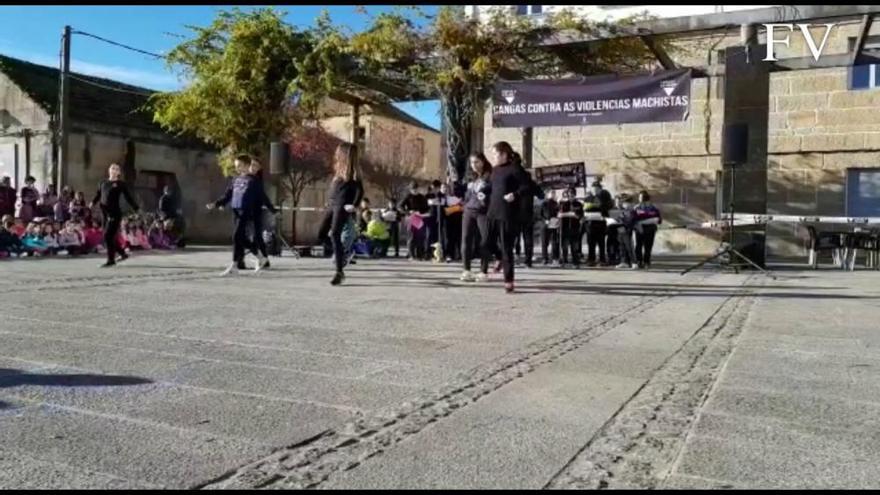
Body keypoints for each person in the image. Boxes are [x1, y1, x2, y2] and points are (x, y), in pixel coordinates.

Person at [208, 155, 275, 276]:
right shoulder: (236, 179)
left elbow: (263, 197)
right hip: (236, 211)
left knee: (236, 237)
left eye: (239, 165)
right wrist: (216, 203)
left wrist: (273, 210)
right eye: (236, 166)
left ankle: (234, 265)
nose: (237, 168)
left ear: (246, 165)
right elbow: (227, 195)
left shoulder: (254, 181)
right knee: (240, 239)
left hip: (246, 211)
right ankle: (260, 257)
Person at [487, 141, 532, 293]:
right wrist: (483, 192)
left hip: (507, 214)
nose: (494, 157)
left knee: (507, 248)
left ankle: (508, 280)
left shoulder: (515, 169)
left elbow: (527, 186)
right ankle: (498, 258)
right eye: (493, 154)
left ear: (504, 154)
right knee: (487, 242)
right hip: (492, 212)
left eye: (496, 154)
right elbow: (491, 187)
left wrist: (515, 194)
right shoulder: (494, 170)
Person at [318, 142, 363, 286]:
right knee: (321, 234)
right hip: (332, 205)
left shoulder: (353, 173)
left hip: (342, 207)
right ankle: (342, 254)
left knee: (335, 234)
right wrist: (328, 201)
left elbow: (360, 191)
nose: (336, 155)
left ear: (345, 155)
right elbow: (334, 190)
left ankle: (339, 272)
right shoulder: (338, 171)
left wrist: (354, 205)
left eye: (339, 153)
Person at [91, 163, 140, 267]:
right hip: (104, 212)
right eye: (112, 168)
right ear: (109, 170)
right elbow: (99, 194)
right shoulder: (103, 182)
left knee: (108, 236)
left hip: (115, 213)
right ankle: (122, 254)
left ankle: (111, 260)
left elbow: (128, 197)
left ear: (119, 173)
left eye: (116, 169)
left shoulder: (120, 184)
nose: (114, 170)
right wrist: (93, 202)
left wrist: (136, 208)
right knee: (107, 237)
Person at [460, 152, 493, 282]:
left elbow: (493, 193)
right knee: (466, 239)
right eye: (472, 162)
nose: (474, 165)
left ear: (483, 161)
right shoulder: (470, 177)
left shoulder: (490, 176)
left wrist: (485, 200)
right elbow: (467, 195)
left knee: (485, 240)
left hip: (483, 212)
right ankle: (466, 270)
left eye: (477, 162)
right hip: (469, 211)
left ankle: (483, 271)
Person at [510, 152, 543, 268]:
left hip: (514, 211)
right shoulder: (529, 180)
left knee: (513, 236)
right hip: (527, 212)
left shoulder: (512, 176)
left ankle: (512, 258)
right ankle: (528, 260)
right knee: (528, 237)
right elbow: (541, 195)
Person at [582, 180, 614, 267]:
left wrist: (601, 205)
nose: (595, 190)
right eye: (594, 188)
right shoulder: (587, 198)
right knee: (591, 243)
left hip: (601, 223)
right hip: (590, 223)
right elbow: (584, 209)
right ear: (591, 189)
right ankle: (591, 259)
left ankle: (602, 260)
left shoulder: (605, 197)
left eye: (597, 188)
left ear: (600, 189)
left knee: (601, 242)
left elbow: (610, 206)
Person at [400, 182, 429, 261]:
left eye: (416, 189)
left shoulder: (422, 197)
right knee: (411, 237)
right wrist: (408, 212)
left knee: (420, 237)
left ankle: (420, 254)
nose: (415, 190)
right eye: (413, 189)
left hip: (419, 218)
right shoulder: (408, 197)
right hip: (411, 218)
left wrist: (421, 212)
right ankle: (411, 254)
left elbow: (426, 208)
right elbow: (400, 206)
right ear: (410, 189)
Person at [634, 190, 662, 269]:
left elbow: (659, 220)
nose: (641, 199)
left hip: (650, 229)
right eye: (640, 197)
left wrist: (651, 219)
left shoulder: (653, 207)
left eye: (642, 197)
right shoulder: (636, 207)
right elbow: (633, 219)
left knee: (648, 246)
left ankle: (646, 261)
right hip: (639, 229)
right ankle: (639, 261)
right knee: (638, 246)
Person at [558, 187, 584, 268]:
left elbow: (580, 216)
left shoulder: (579, 204)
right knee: (564, 246)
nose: (571, 196)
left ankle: (575, 262)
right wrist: (569, 214)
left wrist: (573, 215)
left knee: (574, 246)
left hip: (574, 228)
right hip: (564, 228)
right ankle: (564, 261)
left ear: (575, 195)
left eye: (572, 194)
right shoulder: (563, 204)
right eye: (569, 194)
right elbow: (559, 215)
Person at [613, 193, 639, 270]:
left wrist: (623, 224)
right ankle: (624, 262)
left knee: (629, 247)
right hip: (620, 230)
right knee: (622, 247)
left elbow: (631, 221)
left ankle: (634, 262)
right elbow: (619, 218)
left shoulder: (632, 212)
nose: (624, 205)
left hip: (627, 231)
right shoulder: (623, 211)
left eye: (625, 203)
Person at [441, 181, 464, 262]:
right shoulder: (445, 197)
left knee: (458, 237)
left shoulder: (460, 197)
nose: (454, 190)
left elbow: (462, 207)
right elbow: (444, 210)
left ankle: (459, 254)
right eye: (452, 188)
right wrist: (455, 207)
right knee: (448, 237)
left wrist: (458, 206)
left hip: (458, 219)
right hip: (448, 220)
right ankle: (449, 254)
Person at [541, 189, 561, 266]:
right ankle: (544, 258)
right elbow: (540, 215)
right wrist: (545, 220)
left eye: (554, 193)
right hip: (545, 225)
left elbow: (558, 213)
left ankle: (554, 258)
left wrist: (557, 218)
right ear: (548, 194)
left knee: (554, 242)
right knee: (544, 242)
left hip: (554, 225)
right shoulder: (544, 204)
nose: (553, 194)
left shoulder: (556, 203)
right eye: (551, 193)